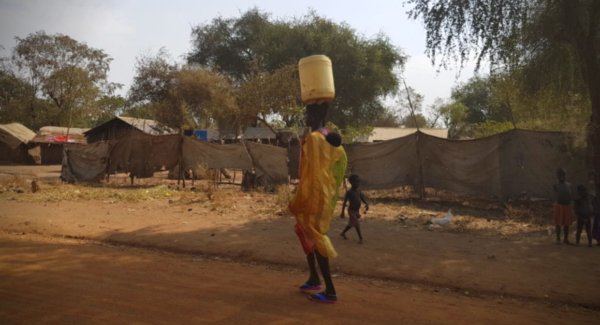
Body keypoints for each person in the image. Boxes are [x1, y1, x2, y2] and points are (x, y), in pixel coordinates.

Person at [289, 102, 347, 304]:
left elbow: (311, 175)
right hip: (324, 194)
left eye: (307, 113)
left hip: (313, 195)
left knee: (315, 236)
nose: (305, 117)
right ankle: (314, 278)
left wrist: (298, 198)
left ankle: (330, 291)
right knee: (303, 231)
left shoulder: (315, 138)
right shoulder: (328, 135)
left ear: (313, 116)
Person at [340, 174, 369, 244]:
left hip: (356, 211)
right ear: (351, 183)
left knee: (351, 224)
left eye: (359, 182)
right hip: (351, 211)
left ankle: (343, 233)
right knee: (356, 224)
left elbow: (362, 197)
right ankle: (361, 238)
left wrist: (366, 204)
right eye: (356, 182)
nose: (358, 184)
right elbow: (344, 203)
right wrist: (342, 212)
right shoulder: (349, 192)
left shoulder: (358, 191)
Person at [553, 168, 574, 244]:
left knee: (567, 223)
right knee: (558, 223)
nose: (562, 176)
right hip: (559, 206)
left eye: (563, 175)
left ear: (565, 175)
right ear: (557, 176)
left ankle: (566, 239)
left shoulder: (569, 185)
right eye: (560, 175)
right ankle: (558, 239)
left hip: (567, 206)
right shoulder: (556, 185)